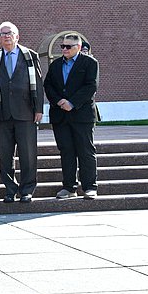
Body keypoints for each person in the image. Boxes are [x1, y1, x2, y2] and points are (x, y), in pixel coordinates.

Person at [0, 21, 44, 203]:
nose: (6, 36)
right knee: (5, 155)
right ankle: (10, 189)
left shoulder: (30, 56)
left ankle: (27, 189)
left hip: (26, 112)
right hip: (2, 113)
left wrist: (39, 109)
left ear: (17, 36)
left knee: (28, 153)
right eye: (3, 34)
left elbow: (38, 83)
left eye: (9, 33)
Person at [44, 34, 100, 200]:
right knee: (66, 151)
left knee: (85, 150)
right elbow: (48, 85)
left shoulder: (90, 63)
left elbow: (91, 86)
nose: (64, 49)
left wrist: (72, 103)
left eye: (68, 46)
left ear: (78, 46)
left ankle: (90, 187)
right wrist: (59, 101)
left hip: (82, 115)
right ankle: (69, 187)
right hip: (60, 115)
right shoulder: (55, 65)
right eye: (62, 46)